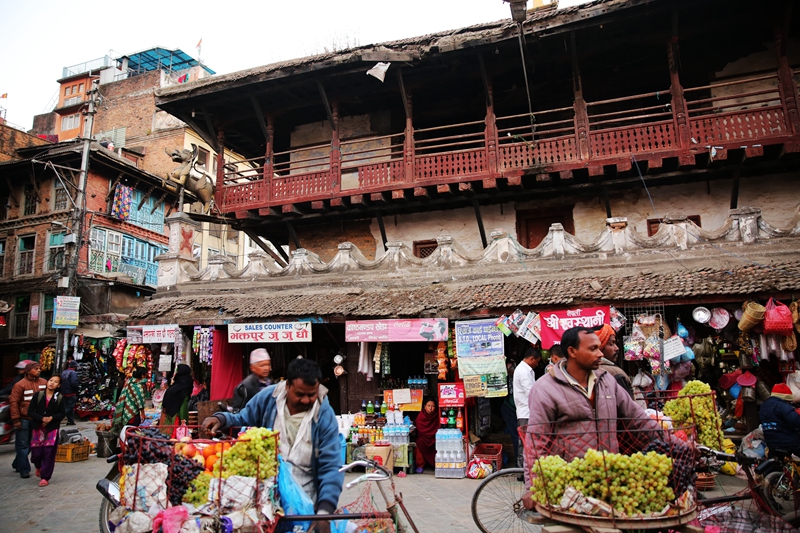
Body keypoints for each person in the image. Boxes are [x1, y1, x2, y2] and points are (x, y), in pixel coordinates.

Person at [524, 327, 682, 490]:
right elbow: (536, 443)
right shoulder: (545, 389)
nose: (600, 354)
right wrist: (533, 487)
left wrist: (678, 446)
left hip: (608, 481)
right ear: (572, 351)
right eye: (593, 349)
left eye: (599, 348)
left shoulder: (607, 382)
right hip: (569, 485)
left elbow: (640, 422)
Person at [203, 358, 343, 533]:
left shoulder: (324, 414)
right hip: (267, 504)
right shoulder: (269, 398)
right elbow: (242, 417)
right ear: (287, 386)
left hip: (306, 504)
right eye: (300, 394)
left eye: (311, 394)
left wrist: (325, 512)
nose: (306, 400)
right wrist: (220, 418)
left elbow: (330, 466)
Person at [9, 362, 47, 478]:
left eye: (39, 369)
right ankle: (24, 469)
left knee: (32, 444)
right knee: (23, 444)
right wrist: (16, 419)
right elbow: (14, 402)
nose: (39, 371)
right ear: (28, 371)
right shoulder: (20, 385)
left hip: (38, 419)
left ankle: (18, 463)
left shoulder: (44, 383)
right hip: (24, 418)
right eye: (36, 369)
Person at [28, 374, 65, 487]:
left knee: (49, 453)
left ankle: (45, 477)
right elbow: (30, 411)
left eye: (55, 382)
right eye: (50, 380)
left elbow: (62, 413)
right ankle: (38, 466)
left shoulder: (59, 398)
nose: (52, 383)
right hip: (38, 428)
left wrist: (51, 418)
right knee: (37, 453)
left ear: (58, 385)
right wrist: (41, 418)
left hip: (52, 428)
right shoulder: (38, 396)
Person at [513, 346, 541, 470]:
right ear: (531, 358)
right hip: (526, 413)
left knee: (525, 443)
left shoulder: (526, 370)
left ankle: (523, 471)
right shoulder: (523, 371)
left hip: (527, 412)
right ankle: (523, 471)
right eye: (537, 361)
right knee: (525, 443)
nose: (537, 364)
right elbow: (530, 392)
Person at [759, 383, 800, 457]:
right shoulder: (782, 405)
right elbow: (796, 421)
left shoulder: (764, 405)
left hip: (771, 443)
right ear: (785, 398)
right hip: (789, 442)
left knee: (775, 463)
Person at [595, 324, 633, 397]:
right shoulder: (616, 373)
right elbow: (626, 407)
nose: (617, 348)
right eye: (611, 344)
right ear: (600, 347)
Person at [111, 367, 148, 435]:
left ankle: (125, 442)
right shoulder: (139, 386)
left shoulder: (129, 382)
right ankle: (128, 443)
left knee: (126, 429)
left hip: (126, 409)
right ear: (142, 375)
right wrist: (143, 413)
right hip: (133, 412)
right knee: (132, 431)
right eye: (145, 374)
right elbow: (140, 401)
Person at [160, 364, 194, 432]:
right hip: (175, 419)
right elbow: (183, 407)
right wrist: (184, 422)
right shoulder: (185, 387)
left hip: (167, 418)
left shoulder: (175, 386)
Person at [501, 357, 519, 468]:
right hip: (509, 409)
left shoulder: (516, 378)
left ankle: (520, 463)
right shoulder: (513, 379)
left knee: (518, 437)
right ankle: (519, 464)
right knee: (516, 436)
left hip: (514, 409)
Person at [414, 398, 440, 473]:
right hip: (424, 438)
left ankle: (437, 464)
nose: (431, 408)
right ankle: (420, 465)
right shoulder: (421, 416)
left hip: (434, 438)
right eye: (428, 406)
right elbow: (420, 430)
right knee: (419, 442)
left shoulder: (437, 415)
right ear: (424, 407)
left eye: (433, 406)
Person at [60, 361, 79, 425]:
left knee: (67, 407)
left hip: (64, 392)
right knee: (69, 407)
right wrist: (77, 388)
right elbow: (74, 383)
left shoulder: (64, 372)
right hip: (71, 392)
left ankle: (71, 421)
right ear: (75, 367)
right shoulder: (73, 373)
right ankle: (58, 418)